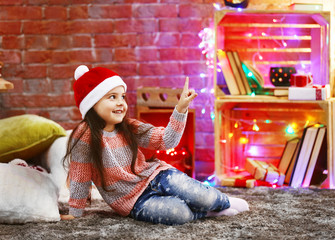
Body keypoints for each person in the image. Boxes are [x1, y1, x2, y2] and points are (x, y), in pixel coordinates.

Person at [61, 65, 249, 225]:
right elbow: (80, 175)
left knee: (202, 195)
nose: (121, 103)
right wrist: (75, 212)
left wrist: (181, 109)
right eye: (112, 97)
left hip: (156, 176)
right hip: (132, 201)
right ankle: (208, 212)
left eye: (122, 96)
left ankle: (221, 202)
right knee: (179, 213)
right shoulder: (84, 136)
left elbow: (167, 140)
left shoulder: (129, 127)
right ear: (92, 103)